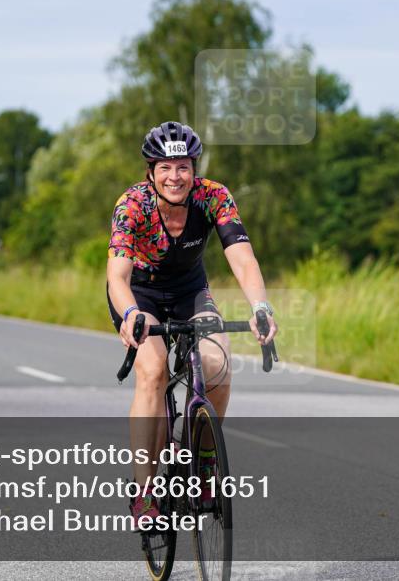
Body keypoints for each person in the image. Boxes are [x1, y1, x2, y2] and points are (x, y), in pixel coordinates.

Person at [106, 121, 278, 523]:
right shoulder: (132, 205)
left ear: (194, 169)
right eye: (165, 167)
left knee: (217, 364)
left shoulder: (214, 196)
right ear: (150, 171)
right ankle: (145, 491)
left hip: (190, 292)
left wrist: (260, 307)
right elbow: (117, 276)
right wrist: (130, 314)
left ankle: (203, 460)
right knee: (152, 370)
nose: (175, 176)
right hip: (140, 295)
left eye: (183, 166)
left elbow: (242, 258)